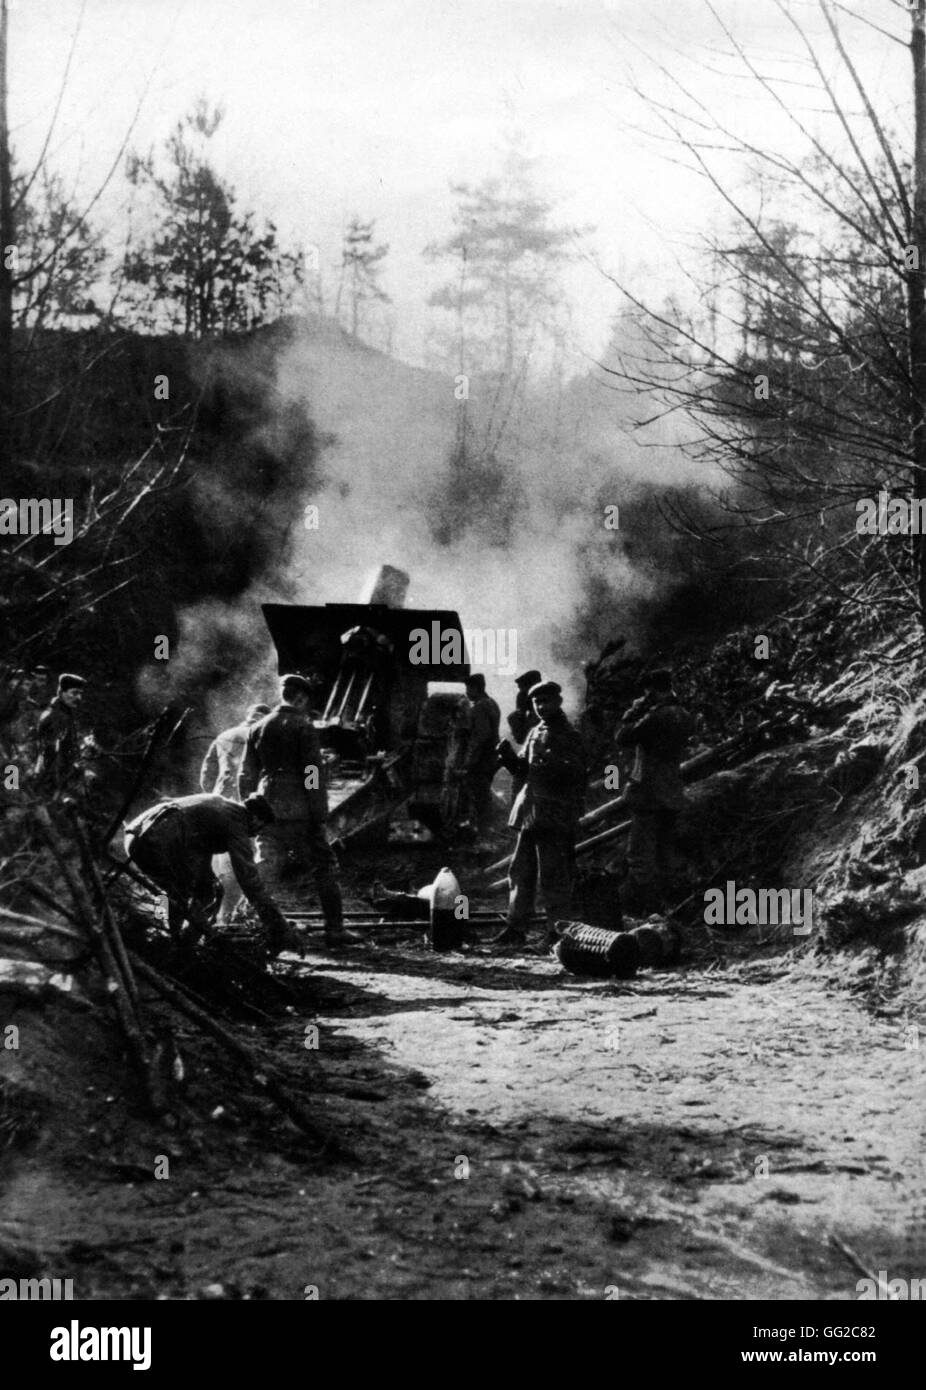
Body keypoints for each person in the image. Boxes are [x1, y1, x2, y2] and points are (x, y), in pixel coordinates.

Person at [239, 673, 354, 948]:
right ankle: (335, 931)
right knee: (323, 866)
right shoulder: (303, 727)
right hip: (300, 810)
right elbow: (312, 772)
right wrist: (319, 813)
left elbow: (246, 775)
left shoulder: (259, 727)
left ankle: (252, 925)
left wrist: (250, 807)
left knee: (264, 867)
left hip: (267, 807)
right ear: (301, 697)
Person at [124, 792, 290, 952]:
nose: (257, 833)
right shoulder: (236, 821)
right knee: (173, 894)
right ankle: (172, 942)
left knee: (200, 892)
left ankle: (175, 938)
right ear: (255, 818)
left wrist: (208, 885)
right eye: (260, 827)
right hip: (154, 841)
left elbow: (199, 851)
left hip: (137, 835)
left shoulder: (218, 805)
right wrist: (278, 924)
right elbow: (248, 878)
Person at [493, 680, 586, 951]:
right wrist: (509, 758)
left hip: (555, 813)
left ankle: (558, 932)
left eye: (546, 701)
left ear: (558, 702)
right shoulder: (536, 731)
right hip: (531, 811)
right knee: (520, 871)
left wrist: (550, 765)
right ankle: (515, 928)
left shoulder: (570, 735)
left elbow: (577, 774)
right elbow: (523, 769)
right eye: (537, 703)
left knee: (553, 876)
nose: (541, 706)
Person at [615, 667, 694, 913]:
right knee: (665, 855)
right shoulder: (684, 714)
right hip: (671, 793)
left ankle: (647, 912)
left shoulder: (655, 716)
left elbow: (623, 736)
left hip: (648, 794)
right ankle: (672, 909)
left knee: (640, 857)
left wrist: (634, 711)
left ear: (652, 690)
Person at [200, 703, 271, 798]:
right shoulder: (265, 738)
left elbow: (207, 774)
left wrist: (216, 792)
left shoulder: (223, 736)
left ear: (248, 716)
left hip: (222, 796)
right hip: (252, 799)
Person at [461, 673, 500, 834]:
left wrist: (469, 760)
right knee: (483, 793)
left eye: (468, 688)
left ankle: (482, 830)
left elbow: (480, 736)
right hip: (491, 756)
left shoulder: (479, 707)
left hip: (481, 758)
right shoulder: (492, 703)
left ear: (476, 688)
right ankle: (483, 827)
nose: (467, 692)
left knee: (479, 795)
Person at [34, 673, 86, 793]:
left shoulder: (64, 713)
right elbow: (49, 753)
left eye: (80, 694)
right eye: (74, 693)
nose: (78, 698)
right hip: (45, 781)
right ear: (62, 693)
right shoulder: (58, 717)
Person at [505, 669, 541, 805]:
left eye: (523, 689)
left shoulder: (536, 716)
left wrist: (516, 718)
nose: (520, 694)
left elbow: (521, 737)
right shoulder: (532, 714)